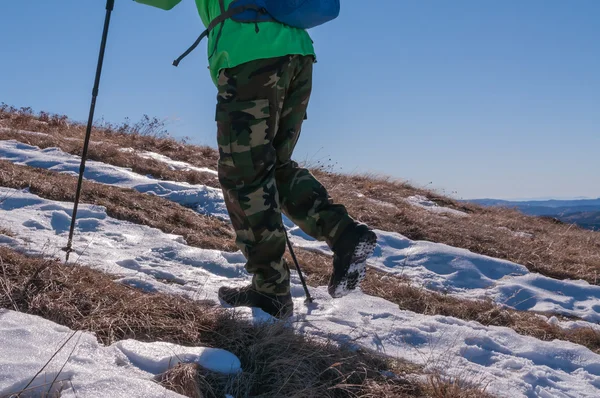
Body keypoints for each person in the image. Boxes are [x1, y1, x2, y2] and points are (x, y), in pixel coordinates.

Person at [137, 0, 377, 319]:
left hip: (250, 56)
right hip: (298, 54)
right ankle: (342, 234)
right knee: (273, 166)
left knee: (244, 175)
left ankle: (270, 288)